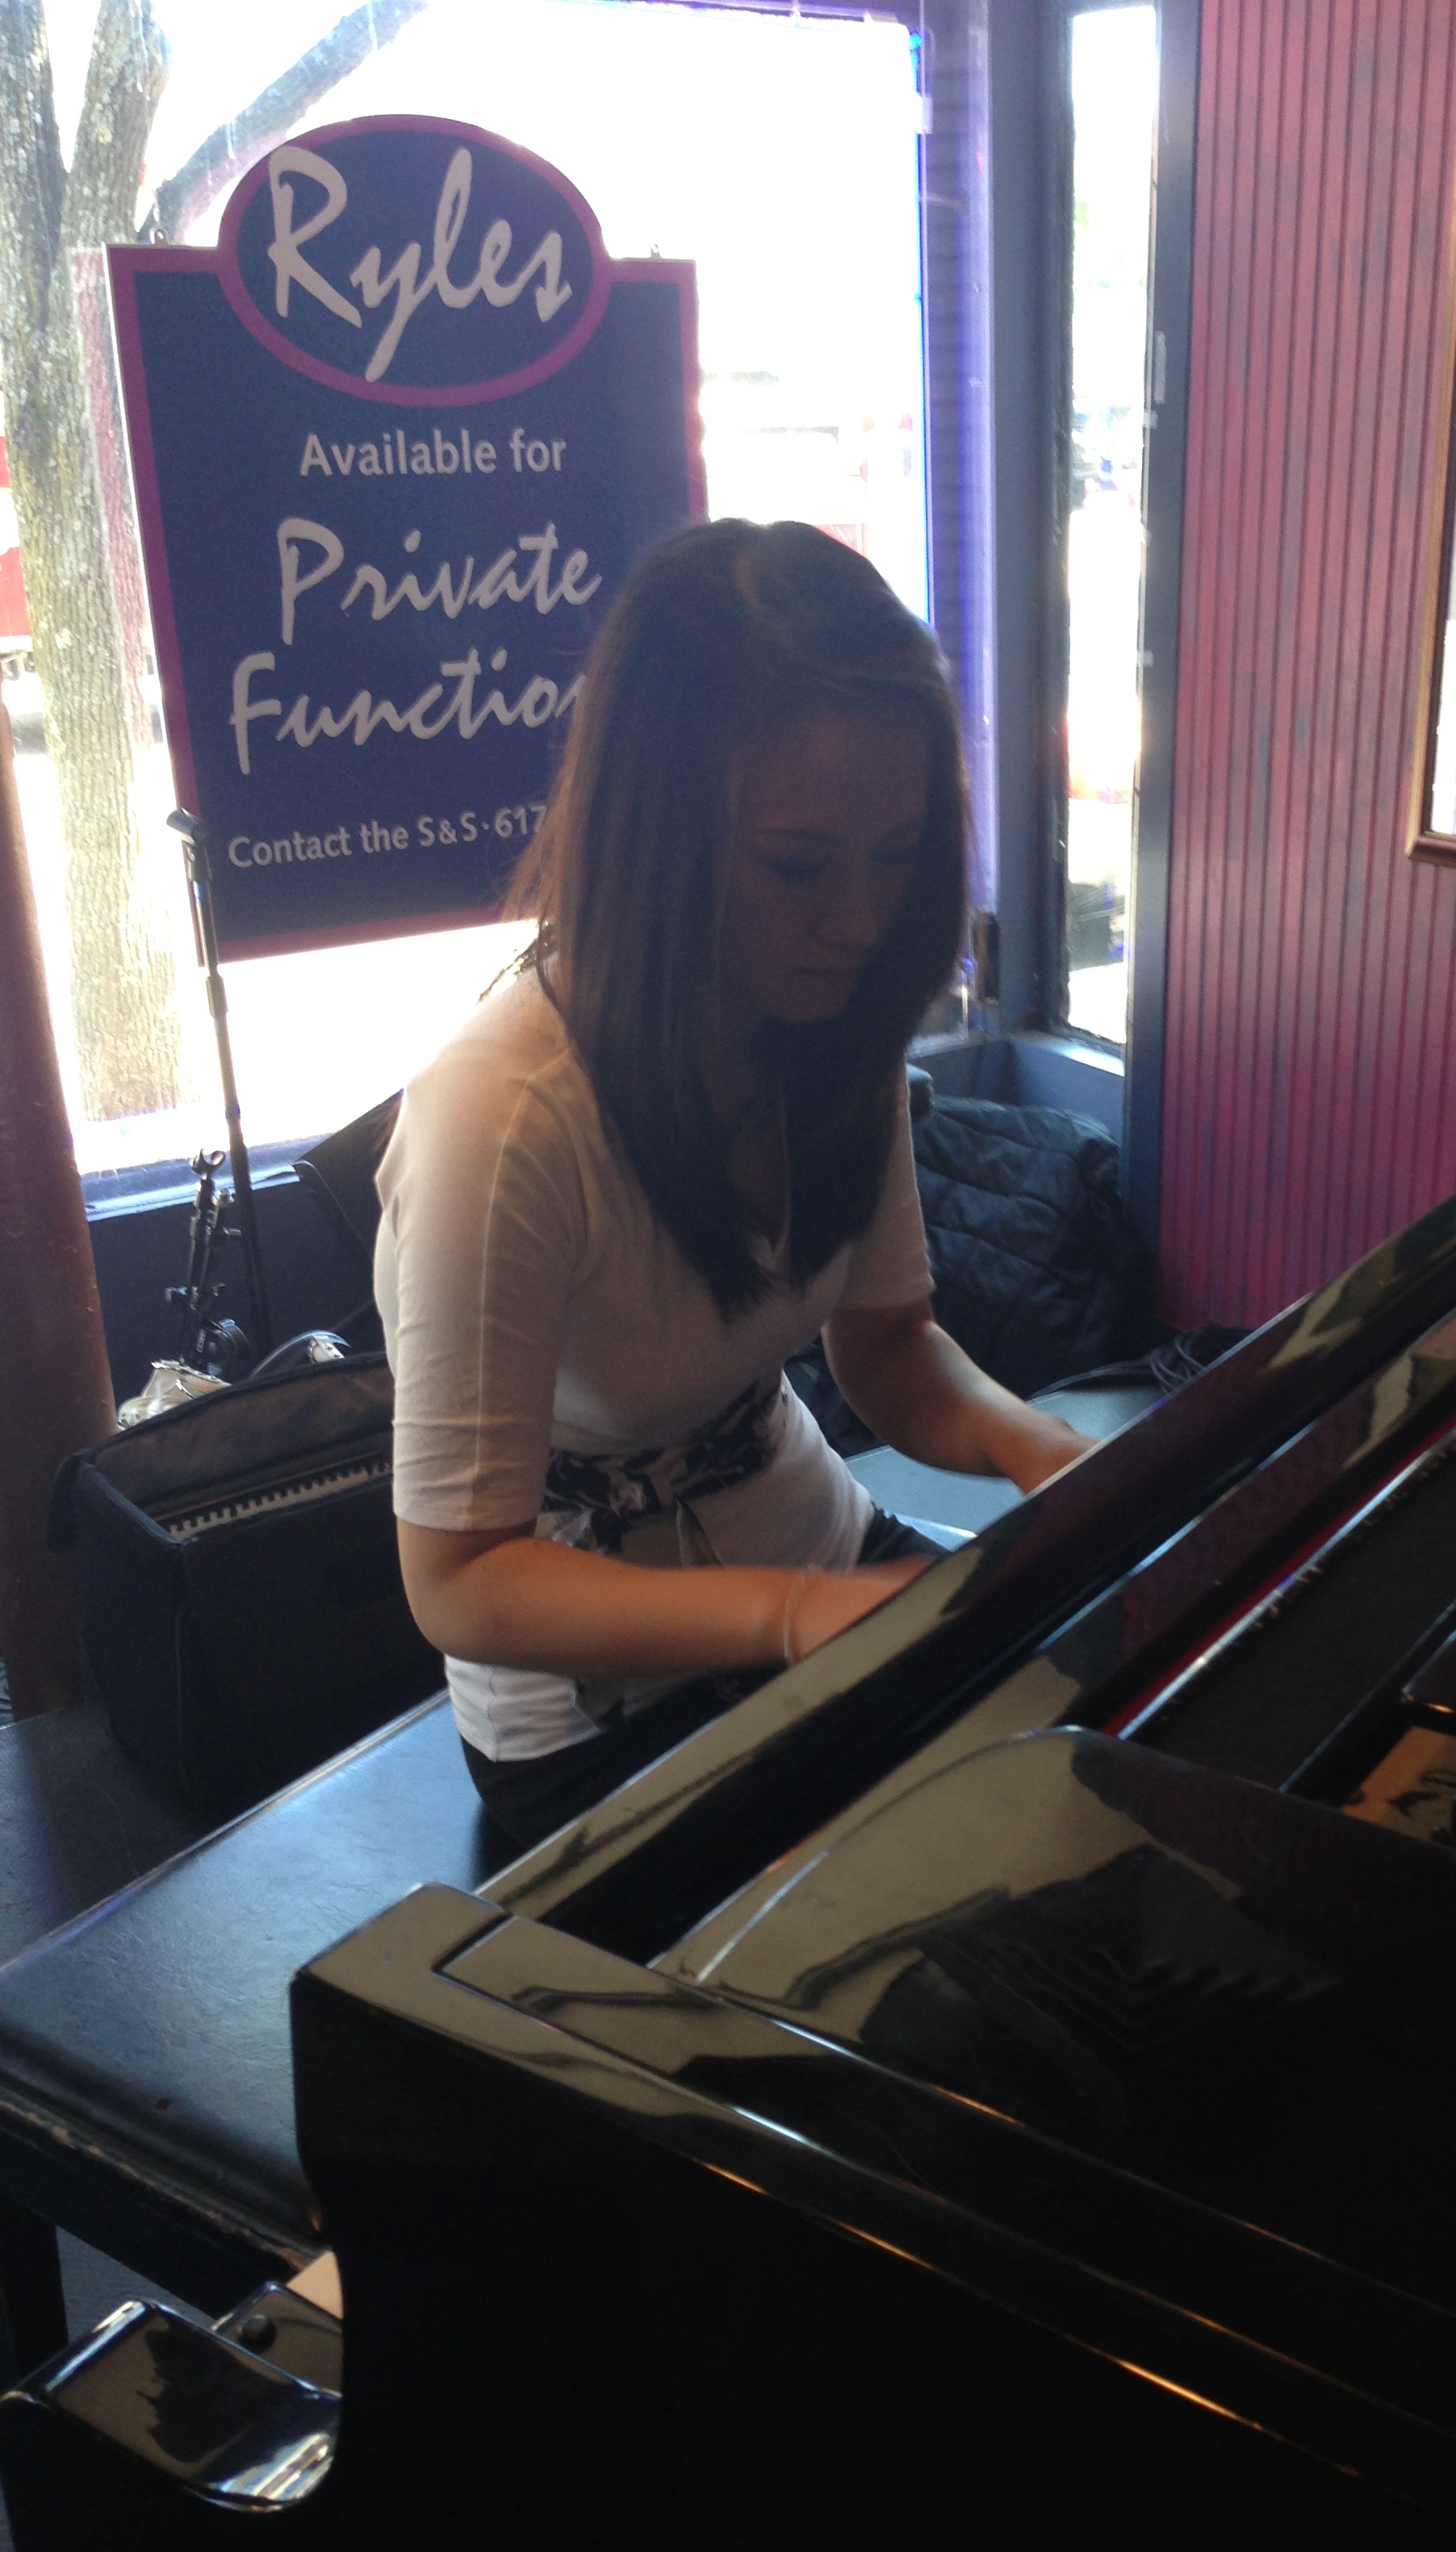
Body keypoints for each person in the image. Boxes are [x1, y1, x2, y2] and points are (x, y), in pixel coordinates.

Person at [375, 519, 1095, 1847]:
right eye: (798, 865)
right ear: (655, 834)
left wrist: (1044, 1453)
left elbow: (888, 1349)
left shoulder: (828, 1020)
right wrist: (794, 1615)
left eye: (896, 853)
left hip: (816, 1548)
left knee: (1093, 1763)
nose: (859, 921)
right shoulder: (503, 1116)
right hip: (594, 1698)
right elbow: (460, 1578)